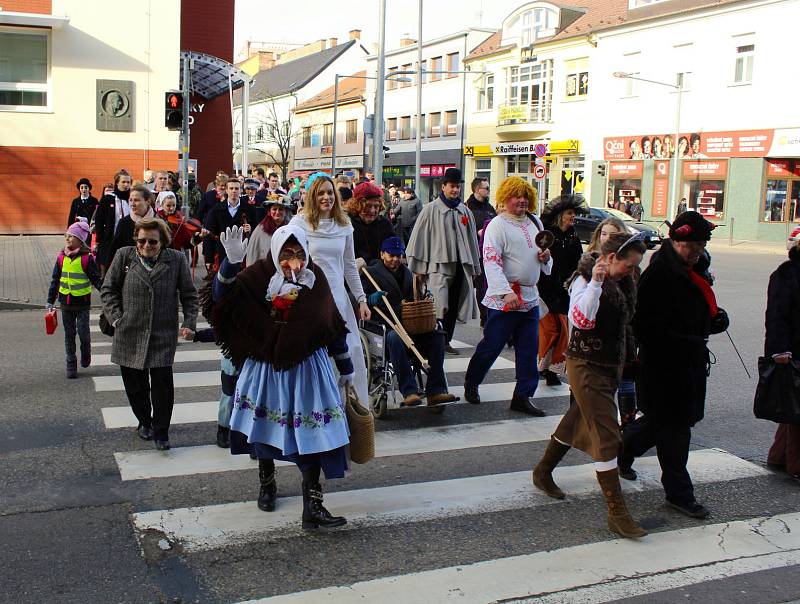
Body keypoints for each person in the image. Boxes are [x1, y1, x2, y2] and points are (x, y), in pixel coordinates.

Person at [208, 225, 353, 526]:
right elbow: (222, 299)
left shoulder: (315, 278)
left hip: (308, 370)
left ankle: (312, 505)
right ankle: (267, 482)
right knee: (266, 430)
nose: (294, 263)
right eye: (287, 255)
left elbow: (331, 322)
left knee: (312, 436)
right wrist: (231, 263)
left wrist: (345, 365)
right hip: (266, 368)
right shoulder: (259, 276)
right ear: (275, 253)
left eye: (299, 254)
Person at [533, 232, 648, 539]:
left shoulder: (624, 282)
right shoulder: (585, 281)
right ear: (610, 258)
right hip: (585, 366)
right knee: (607, 437)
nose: (632, 270)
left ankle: (543, 471)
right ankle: (617, 513)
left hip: (609, 366)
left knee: (576, 421)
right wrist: (596, 283)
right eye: (629, 265)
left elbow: (626, 324)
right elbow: (582, 320)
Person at [619, 211, 728, 519]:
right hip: (664, 368)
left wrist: (715, 320)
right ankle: (679, 494)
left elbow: (697, 310)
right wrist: (688, 339)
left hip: (688, 364)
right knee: (675, 431)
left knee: (658, 425)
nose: (696, 252)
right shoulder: (660, 273)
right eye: (691, 246)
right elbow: (645, 327)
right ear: (676, 241)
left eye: (700, 246)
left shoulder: (694, 270)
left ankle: (619, 452)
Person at [101, 217, 198, 450]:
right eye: (142, 241)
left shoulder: (175, 260)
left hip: (162, 332)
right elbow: (108, 289)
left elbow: (189, 295)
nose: (146, 246)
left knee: (162, 386)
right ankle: (144, 421)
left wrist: (190, 322)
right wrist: (116, 318)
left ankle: (161, 431)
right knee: (135, 385)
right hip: (129, 330)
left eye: (152, 242)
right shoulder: (125, 256)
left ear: (162, 242)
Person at [462, 177, 552, 416]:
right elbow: (491, 261)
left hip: (530, 297)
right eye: (516, 196)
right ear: (506, 198)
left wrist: (546, 259)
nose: (521, 200)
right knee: (492, 345)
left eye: (524, 196)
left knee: (528, 348)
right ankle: (472, 382)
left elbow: (543, 258)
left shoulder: (535, 221)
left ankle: (523, 395)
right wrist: (504, 292)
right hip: (506, 298)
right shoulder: (497, 225)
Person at [290, 173, 371, 406]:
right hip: (310, 301)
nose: (326, 197)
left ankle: (346, 414)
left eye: (329, 192)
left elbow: (349, 266)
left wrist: (361, 299)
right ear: (312, 197)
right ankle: (314, 412)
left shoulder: (344, 225)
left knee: (349, 353)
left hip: (339, 300)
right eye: (320, 193)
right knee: (316, 359)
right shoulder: (299, 224)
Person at [361, 237, 457, 407]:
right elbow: (360, 300)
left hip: (411, 326)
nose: (396, 259)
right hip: (386, 326)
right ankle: (409, 391)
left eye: (399, 256)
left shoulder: (409, 274)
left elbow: (416, 297)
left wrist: (424, 298)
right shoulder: (371, 273)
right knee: (394, 338)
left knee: (437, 337)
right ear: (382, 254)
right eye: (391, 255)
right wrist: (370, 300)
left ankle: (435, 390)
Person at [406, 168, 482, 355]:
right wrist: (419, 268)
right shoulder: (431, 210)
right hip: (437, 266)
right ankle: (435, 341)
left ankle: (446, 340)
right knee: (438, 305)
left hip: (459, 266)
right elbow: (420, 239)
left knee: (455, 304)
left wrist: (474, 264)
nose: (455, 190)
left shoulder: (464, 211)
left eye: (457, 187)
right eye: (452, 186)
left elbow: (472, 239)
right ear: (444, 186)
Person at [586, 218, 639, 430]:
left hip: (624, 336)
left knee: (626, 381)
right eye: (604, 234)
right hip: (594, 341)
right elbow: (581, 311)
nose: (606, 239)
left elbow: (635, 304)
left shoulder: (629, 267)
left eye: (613, 235)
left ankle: (628, 425)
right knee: (591, 390)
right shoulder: (588, 265)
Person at [537, 195, 586, 386]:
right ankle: (543, 365)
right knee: (550, 328)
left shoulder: (573, 236)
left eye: (574, 213)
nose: (573, 217)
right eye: (569, 213)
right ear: (560, 215)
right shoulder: (549, 235)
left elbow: (579, 261)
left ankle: (553, 370)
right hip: (547, 287)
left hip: (566, 289)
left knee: (564, 330)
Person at [46, 220, 102, 378]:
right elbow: (55, 280)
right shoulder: (61, 258)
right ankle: (71, 362)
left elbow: (96, 279)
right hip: (65, 304)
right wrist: (50, 300)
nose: (68, 238)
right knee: (69, 334)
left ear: (81, 239)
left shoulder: (87, 259)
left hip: (82, 304)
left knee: (83, 333)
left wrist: (106, 293)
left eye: (72, 236)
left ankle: (86, 352)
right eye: (66, 235)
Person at [764, 239, 800, 480]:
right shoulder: (786, 273)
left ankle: (778, 457)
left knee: (794, 406)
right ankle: (796, 465)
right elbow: (776, 315)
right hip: (793, 350)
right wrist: (779, 351)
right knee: (797, 410)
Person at [204, 178, 257, 270]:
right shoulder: (216, 209)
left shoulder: (250, 209)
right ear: (227, 190)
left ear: (241, 190)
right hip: (222, 252)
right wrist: (209, 258)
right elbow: (209, 234)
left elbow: (256, 232)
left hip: (243, 254)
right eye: (231, 188)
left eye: (237, 189)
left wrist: (250, 229)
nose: (234, 191)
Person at [466, 177, 497, 328]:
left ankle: (489, 315)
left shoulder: (489, 208)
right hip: (476, 254)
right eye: (487, 188)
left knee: (490, 285)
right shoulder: (468, 208)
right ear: (478, 190)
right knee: (481, 286)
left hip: (491, 253)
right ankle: (484, 317)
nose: (489, 191)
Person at [94, 169, 133, 274]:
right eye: (123, 182)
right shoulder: (108, 199)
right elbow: (99, 219)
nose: (126, 185)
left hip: (127, 240)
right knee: (109, 269)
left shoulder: (132, 199)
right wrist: (100, 238)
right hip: (109, 240)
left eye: (128, 182)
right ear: (117, 183)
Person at [349, 181, 396, 266]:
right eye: (368, 206)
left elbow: (393, 248)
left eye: (376, 206)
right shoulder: (348, 225)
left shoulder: (385, 225)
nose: (372, 211)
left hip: (379, 273)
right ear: (357, 205)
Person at [108, 185, 156, 264]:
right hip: (130, 269)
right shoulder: (124, 223)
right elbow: (114, 250)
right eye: (130, 200)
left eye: (136, 200)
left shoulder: (159, 221)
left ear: (148, 201)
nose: (132, 204)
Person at [246, 198, 290, 265]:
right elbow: (253, 253)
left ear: (285, 212)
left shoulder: (290, 228)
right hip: (266, 270)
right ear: (269, 212)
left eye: (280, 209)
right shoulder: (261, 229)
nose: (277, 212)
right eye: (274, 209)